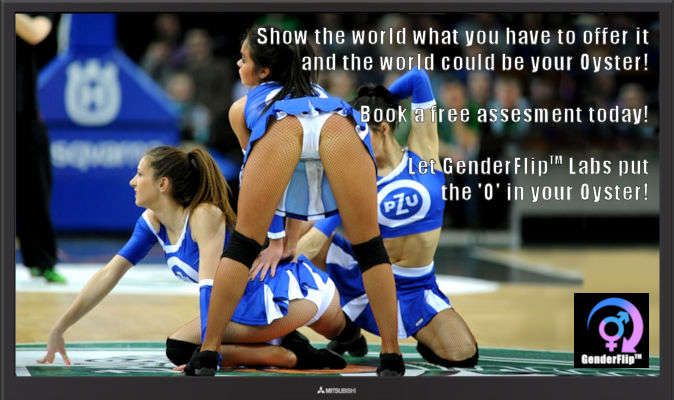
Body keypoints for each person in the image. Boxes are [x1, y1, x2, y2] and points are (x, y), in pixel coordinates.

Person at [187, 25, 403, 376]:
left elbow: (267, 188)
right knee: (370, 248)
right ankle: (392, 357)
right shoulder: (314, 88)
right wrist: (287, 242)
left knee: (242, 246)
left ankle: (209, 353)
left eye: (244, 59)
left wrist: (277, 241)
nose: (238, 64)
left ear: (264, 71)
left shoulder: (241, 109)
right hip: (336, 120)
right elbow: (295, 185)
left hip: (284, 126)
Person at [38, 146, 359, 371]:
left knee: (182, 348)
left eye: (139, 174)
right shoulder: (151, 222)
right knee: (184, 347)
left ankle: (285, 353)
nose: (132, 181)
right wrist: (59, 328)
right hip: (249, 308)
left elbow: (209, 286)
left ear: (163, 184)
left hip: (285, 295)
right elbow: (109, 273)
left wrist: (210, 351)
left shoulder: (204, 215)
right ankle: (292, 348)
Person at [294, 69, 479, 368]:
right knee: (304, 231)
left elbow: (419, 79)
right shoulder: (356, 177)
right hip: (367, 281)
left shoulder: (422, 155)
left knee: (462, 354)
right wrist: (280, 274)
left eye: (361, 135)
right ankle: (348, 331)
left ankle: (416, 327)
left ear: (382, 127)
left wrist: (379, 100)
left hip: (416, 286)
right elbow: (316, 239)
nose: (354, 146)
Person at [15, 13, 66, 283]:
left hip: (23, 113)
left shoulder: (34, 11)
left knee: (35, 187)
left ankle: (41, 260)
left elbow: (36, 32)